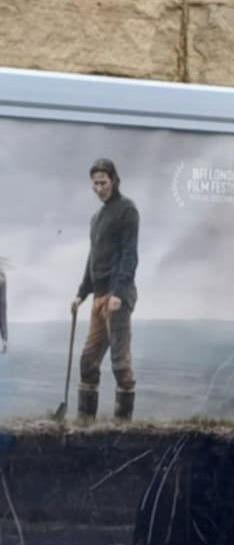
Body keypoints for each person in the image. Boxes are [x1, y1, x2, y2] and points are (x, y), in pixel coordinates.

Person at [71, 158, 139, 423]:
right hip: (99, 297)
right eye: (95, 184)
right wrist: (81, 293)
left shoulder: (127, 210)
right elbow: (93, 259)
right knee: (88, 361)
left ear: (114, 180)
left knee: (120, 363)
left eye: (103, 182)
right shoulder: (96, 218)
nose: (99, 188)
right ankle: (84, 424)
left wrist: (119, 294)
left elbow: (129, 254)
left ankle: (123, 427)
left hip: (117, 298)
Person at [0, 267, 7, 354]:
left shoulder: (2, 276)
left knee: (2, 322)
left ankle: (4, 343)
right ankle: (4, 343)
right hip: (2, 303)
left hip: (1, 304)